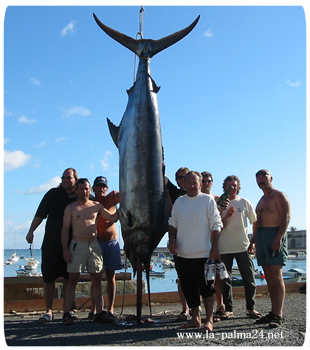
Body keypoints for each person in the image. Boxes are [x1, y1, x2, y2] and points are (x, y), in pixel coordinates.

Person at [168, 171, 223, 331]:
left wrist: (215, 246)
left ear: (201, 184)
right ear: (183, 184)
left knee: (207, 289)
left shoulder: (208, 200)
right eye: (188, 182)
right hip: (182, 254)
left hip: (204, 254)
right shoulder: (179, 201)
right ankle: (195, 318)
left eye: (195, 183)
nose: (192, 186)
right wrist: (171, 240)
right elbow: (173, 222)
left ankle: (209, 320)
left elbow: (216, 224)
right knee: (188, 288)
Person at [61, 178, 119, 325]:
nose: (84, 191)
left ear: (89, 190)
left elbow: (112, 217)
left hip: (94, 245)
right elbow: (65, 230)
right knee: (72, 279)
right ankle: (66, 313)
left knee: (97, 279)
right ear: (77, 190)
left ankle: (100, 312)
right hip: (77, 245)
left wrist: (125, 207)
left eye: (86, 189)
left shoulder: (96, 206)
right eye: (81, 189)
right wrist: (65, 250)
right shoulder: (71, 208)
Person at [26, 168, 79, 323]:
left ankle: (66, 311)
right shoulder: (52, 194)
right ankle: (48, 311)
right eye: (63, 177)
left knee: (69, 278)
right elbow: (40, 214)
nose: (65, 180)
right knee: (49, 278)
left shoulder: (80, 196)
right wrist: (31, 231)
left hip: (72, 243)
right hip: (51, 242)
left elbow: (94, 207)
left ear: (75, 179)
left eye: (69, 178)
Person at [248, 169, 290, 328]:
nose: (260, 180)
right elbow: (257, 222)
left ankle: (279, 314)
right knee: (269, 276)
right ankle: (273, 312)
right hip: (261, 237)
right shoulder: (261, 200)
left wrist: (278, 237)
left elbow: (286, 216)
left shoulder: (279, 196)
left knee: (276, 276)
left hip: (274, 235)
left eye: (263, 177)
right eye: (257, 178)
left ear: (271, 178)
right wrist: (253, 241)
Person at [219, 175, 261, 319]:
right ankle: (228, 309)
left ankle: (251, 308)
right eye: (229, 185)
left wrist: (253, 241)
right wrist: (227, 215)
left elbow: (254, 221)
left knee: (249, 279)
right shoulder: (220, 204)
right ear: (224, 187)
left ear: (238, 187)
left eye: (235, 185)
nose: (232, 188)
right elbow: (217, 226)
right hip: (224, 248)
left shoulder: (244, 202)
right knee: (225, 280)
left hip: (243, 247)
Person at [89, 176, 122, 321]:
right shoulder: (89, 201)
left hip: (111, 242)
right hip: (95, 243)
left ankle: (110, 308)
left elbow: (128, 195)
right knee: (96, 277)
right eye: (98, 186)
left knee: (111, 276)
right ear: (93, 188)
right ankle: (94, 308)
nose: (101, 189)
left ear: (107, 188)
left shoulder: (113, 197)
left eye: (104, 186)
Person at [201, 171, 227, 321]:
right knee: (202, 277)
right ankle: (201, 310)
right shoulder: (197, 199)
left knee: (216, 275)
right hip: (201, 242)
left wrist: (223, 211)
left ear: (212, 182)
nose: (206, 183)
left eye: (208, 181)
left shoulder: (218, 199)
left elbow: (222, 223)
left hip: (215, 241)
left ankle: (220, 305)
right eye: (203, 181)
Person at [166, 167, 190, 320]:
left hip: (198, 241)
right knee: (182, 277)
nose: (183, 181)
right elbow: (162, 176)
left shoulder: (200, 195)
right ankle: (185, 308)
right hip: (180, 241)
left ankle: (197, 307)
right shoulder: (176, 193)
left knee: (199, 277)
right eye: (180, 178)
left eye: (185, 177)